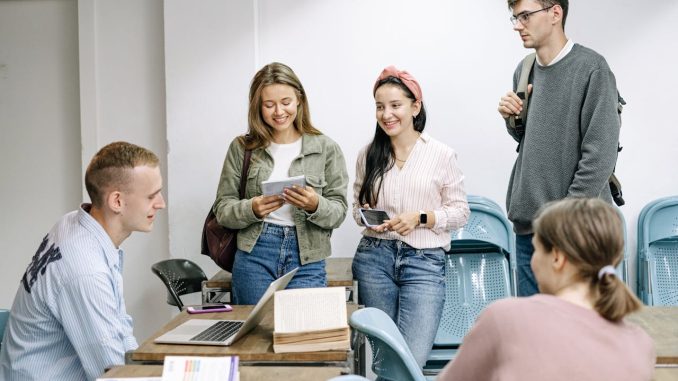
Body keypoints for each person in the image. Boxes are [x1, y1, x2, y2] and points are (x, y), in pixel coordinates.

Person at [0, 142, 166, 381]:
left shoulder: (74, 223)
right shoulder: (85, 271)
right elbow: (113, 374)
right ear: (116, 201)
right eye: (152, 196)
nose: (161, 203)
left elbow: (119, 328)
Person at [438, 198, 655, 380]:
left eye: (536, 250)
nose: (532, 261)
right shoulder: (640, 344)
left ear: (558, 257)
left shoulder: (506, 318)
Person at [497, 0, 622, 296]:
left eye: (525, 16)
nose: (518, 25)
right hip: (530, 232)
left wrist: (562, 223)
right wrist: (511, 119)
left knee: (584, 334)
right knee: (536, 335)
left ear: (555, 13)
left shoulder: (592, 68)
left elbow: (599, 157)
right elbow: (533, 141)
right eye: (514, 17)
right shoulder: (524, 70)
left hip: (577, 232)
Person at [351, 65, 470, 367]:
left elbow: (460, 212)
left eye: (395, 105)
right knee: (383, 358)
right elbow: (355, 207)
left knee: (410, 359)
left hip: (425, 262)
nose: (386, 114)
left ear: (415, 106)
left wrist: (420, 218)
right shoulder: (368, 155)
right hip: (374, 259)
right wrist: (366, 216)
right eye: (380, 107)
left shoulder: (442, 154)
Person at [213, 62, 348, 305]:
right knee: (253, 337)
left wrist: (315, 204)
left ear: (299, 100)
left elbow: (339, 212)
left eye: (286, 102)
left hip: (307, 257)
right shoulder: (242, 148)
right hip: (255, 253)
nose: (279, 111)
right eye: (269, 104)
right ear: (258, 106)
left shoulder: (326, 148)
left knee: (302, 336)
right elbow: (223, 210)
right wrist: (252, 208)